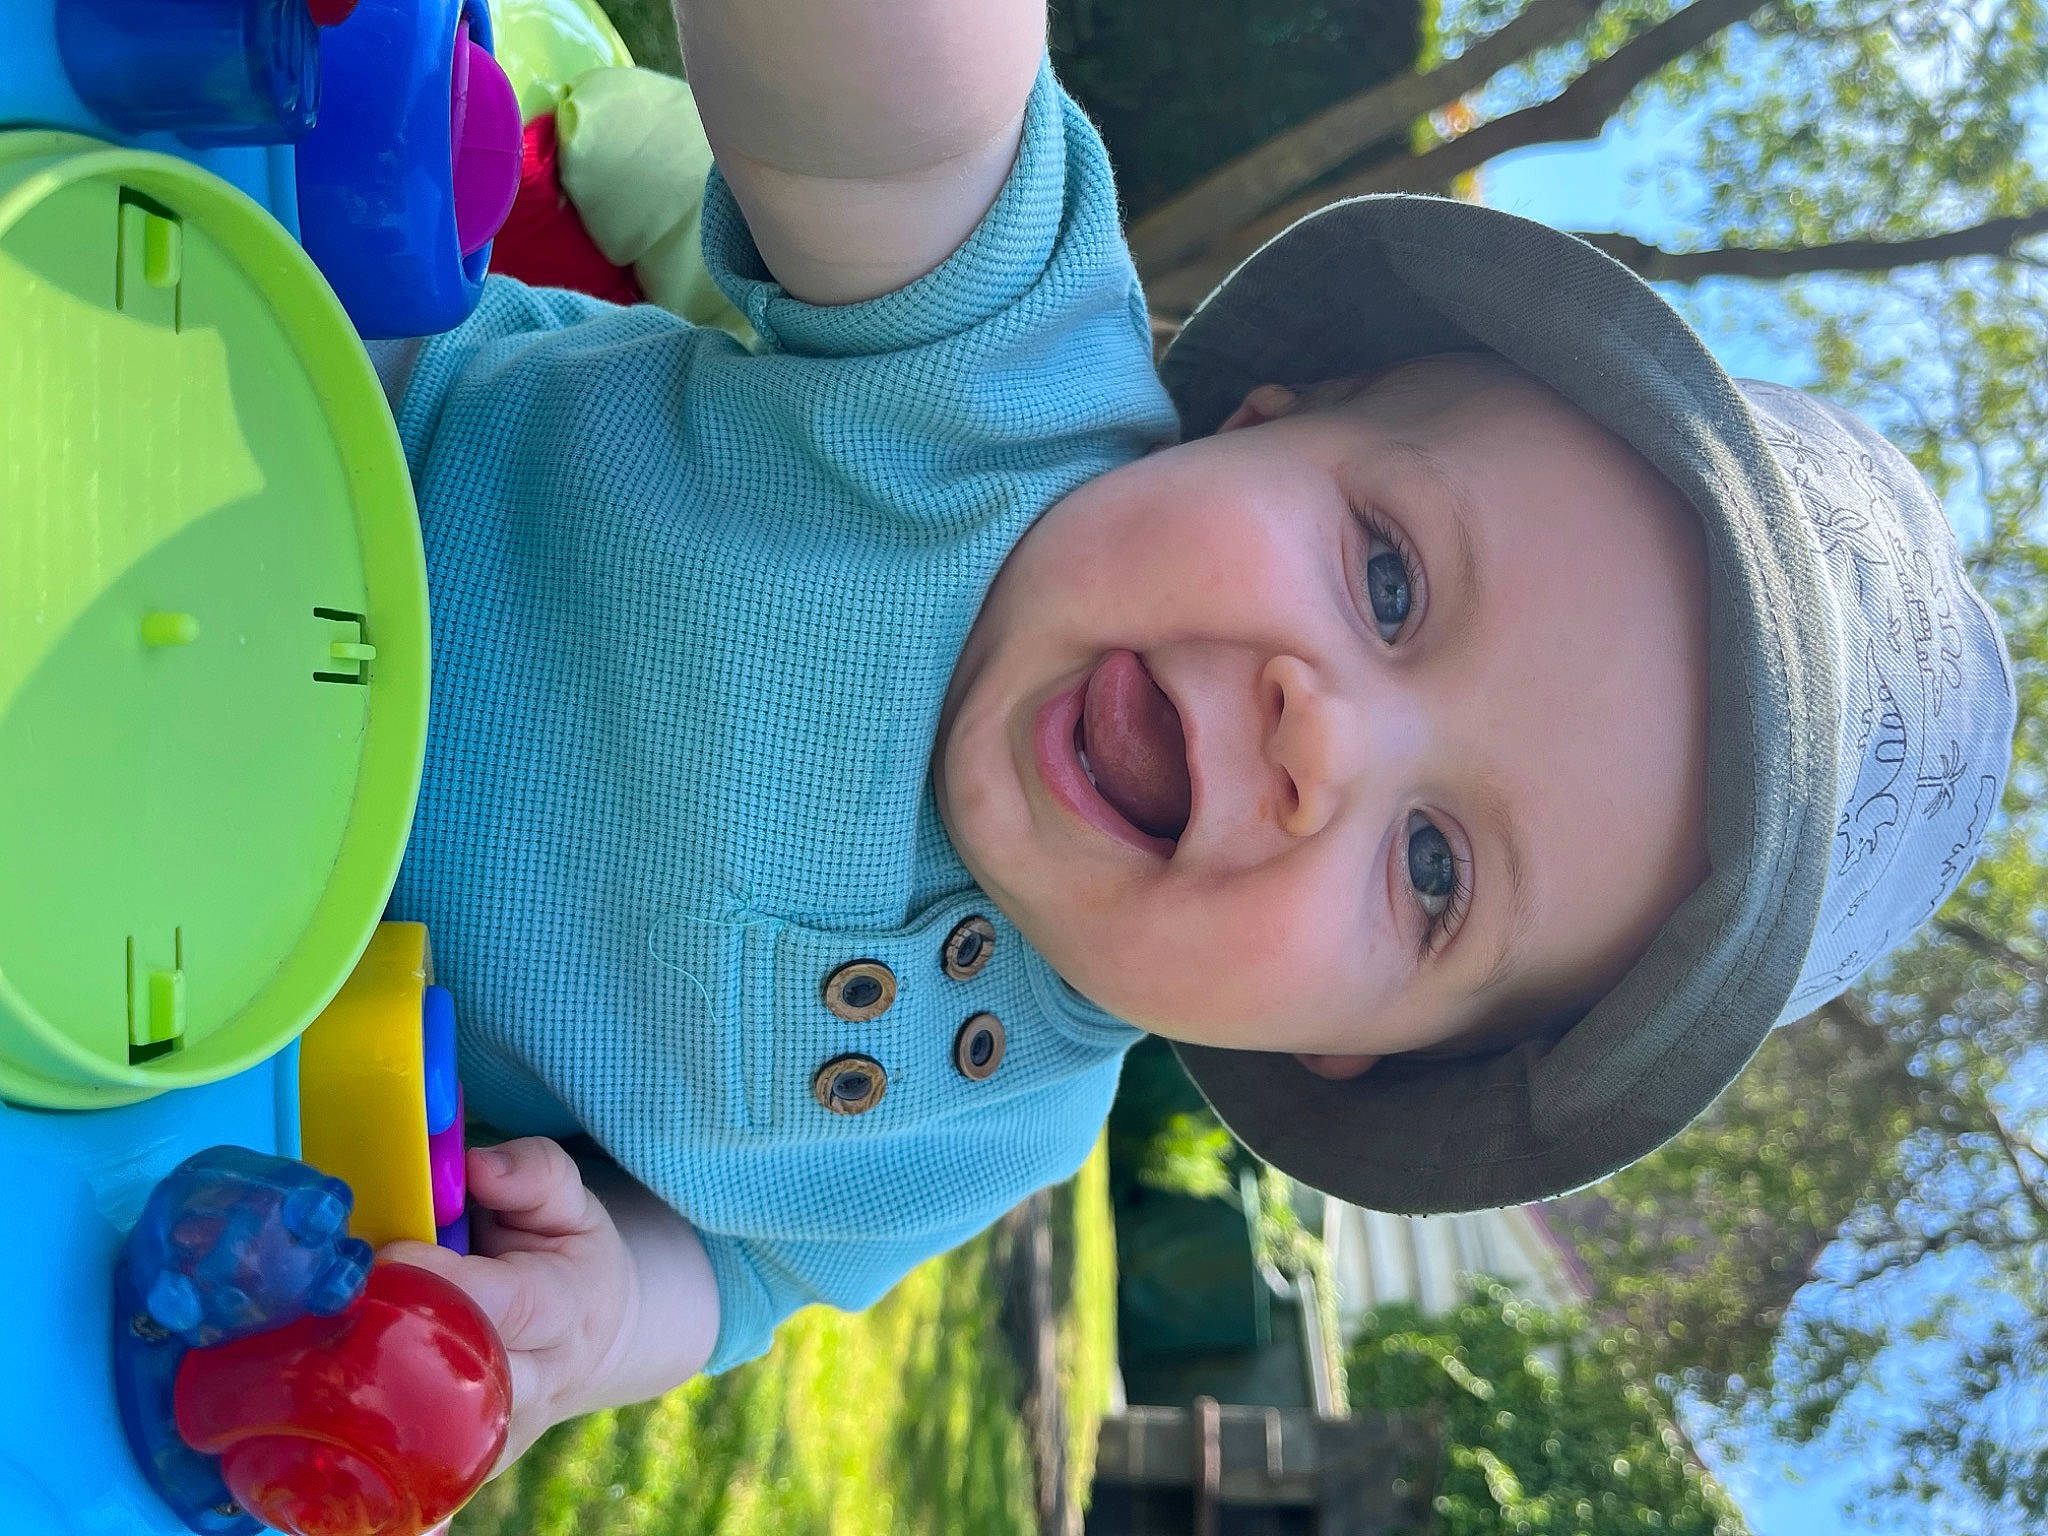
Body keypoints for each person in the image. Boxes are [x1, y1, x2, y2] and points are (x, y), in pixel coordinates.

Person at [373, 0, 2016, 1473]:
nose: (1326, 742)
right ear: (1263, 429)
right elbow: (895, 124)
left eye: (1434, 866)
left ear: (1349, 1044)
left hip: (205, 1038)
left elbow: (749, 1266)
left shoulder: (996, 1131)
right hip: (239, 449)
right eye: (1388, 578)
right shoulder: (998, 398)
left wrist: (596, 1316)